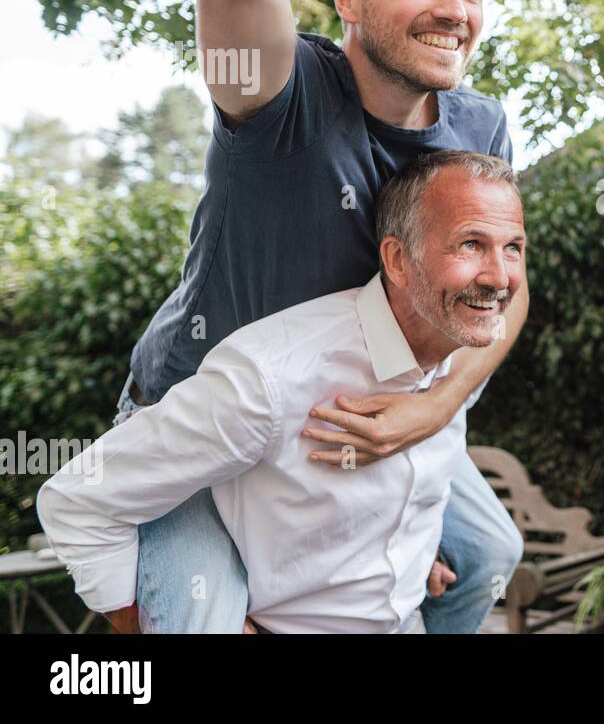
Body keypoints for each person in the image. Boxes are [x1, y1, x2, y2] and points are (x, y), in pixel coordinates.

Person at [116, 0, 525, 632]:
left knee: (487, 555)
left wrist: (435, 405)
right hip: (209, 436)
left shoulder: (480, 127)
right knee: (200, 618)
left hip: (353, 427)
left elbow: (507, 287)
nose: (456, 9)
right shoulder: (277, 95)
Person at [40, 152, 526, 633]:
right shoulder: (269, 380)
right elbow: (76, 500)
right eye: (470, 244)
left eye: (513, 248)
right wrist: (136, 620)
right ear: (398, 260)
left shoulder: (457, 349)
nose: (500, 278)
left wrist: (412, 558)